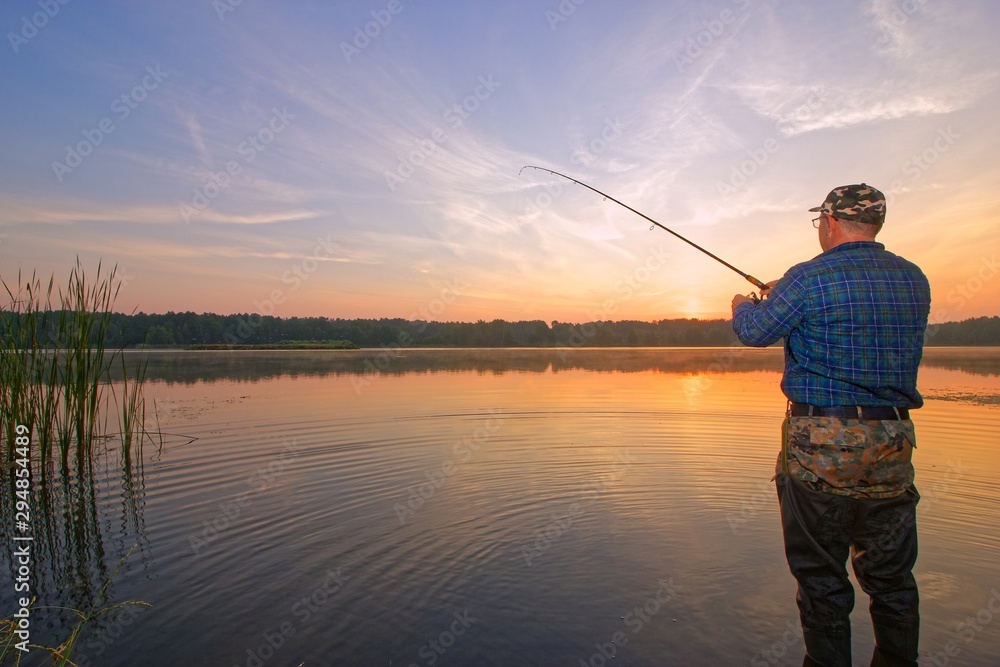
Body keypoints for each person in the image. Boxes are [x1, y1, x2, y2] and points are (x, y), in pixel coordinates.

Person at [730, 184, 931, 667]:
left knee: (822, 580)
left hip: (819, 450)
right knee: (893, 580)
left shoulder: (808, 278)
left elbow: (755, 332)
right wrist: (791, 297)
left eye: (819, 220)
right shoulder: (914, 279)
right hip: (892, 448)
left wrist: (744, 303)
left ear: (830, 220)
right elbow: (855, 315)